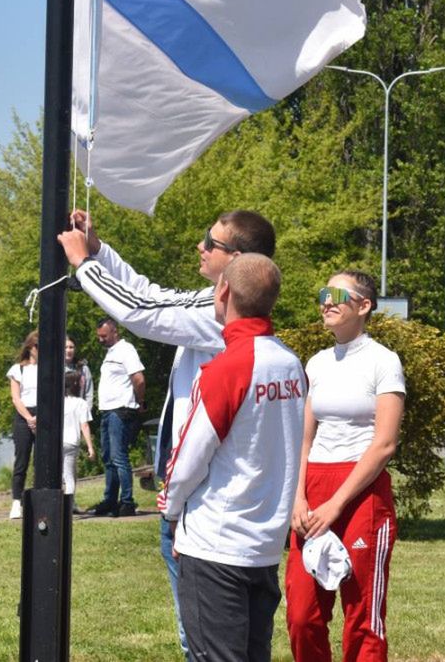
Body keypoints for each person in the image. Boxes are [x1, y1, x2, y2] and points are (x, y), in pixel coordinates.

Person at [57, 208, 275, 660]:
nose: (200, 247)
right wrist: (98, 248)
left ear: (235, 260)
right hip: (215, 509)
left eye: (209, 242)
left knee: (202, 640)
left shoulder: (219, 316)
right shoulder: (223, 308)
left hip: (201, 509)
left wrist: (85, 265)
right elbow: (149, 294)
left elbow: (140, 311)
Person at [158, 254, 306, 662]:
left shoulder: (227, 367)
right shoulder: (291, 363)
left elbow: (188, 457)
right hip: (263, 543)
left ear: (223, 292)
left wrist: (170, 512)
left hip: (216, 544)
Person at [286, 270, 406, 662]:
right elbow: (303, 439)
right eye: (323, 293)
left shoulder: (383, 362)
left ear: (364, 305)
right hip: (312, 491)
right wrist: (298, 498)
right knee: (302, 615)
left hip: (361, 495)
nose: (326, 301)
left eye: (337, 294)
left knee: (363, 616)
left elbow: (385, 443)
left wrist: (336, 504)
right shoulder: (316, 363)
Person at [93, 317, 146, 517]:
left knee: (118, 457)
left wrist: (140, 402)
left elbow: (139, 379)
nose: (100, 340)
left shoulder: (126, 350)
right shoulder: (110, 354)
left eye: (104, 336)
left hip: (120, 410)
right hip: (107, 411)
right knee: (108, 458)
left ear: (115, 332)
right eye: (99, 336)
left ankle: (127, 502)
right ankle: (110, 500)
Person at [6, 330, 39, 520]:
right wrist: (28, 417)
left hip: (42, 414)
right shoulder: (18, 369)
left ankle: (35, 498)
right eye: (37, 347)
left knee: (41, 460)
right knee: (21, 460)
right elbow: (16, 398)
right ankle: (16, 501)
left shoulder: (48, 368)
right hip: (23, 415)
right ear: (30, 347)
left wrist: (39, 416)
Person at [63, 370, 95, 500]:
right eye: (81, 380)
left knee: (62, 475)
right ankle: (68, 507)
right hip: (71, 442)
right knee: (70, 476)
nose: (83, 382)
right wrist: (90, 447)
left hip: (57, 442)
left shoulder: (59, 402)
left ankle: (60, 504)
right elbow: (84, 426)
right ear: (75, 383)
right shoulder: (81, 403)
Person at [65, 335, 94, 414]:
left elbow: (88, 393)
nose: (68, 350)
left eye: (71, 347)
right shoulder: (55, 369)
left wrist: (87, 412)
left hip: (79, 411)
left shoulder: (83, 369)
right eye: (65, 347)